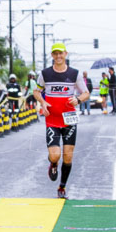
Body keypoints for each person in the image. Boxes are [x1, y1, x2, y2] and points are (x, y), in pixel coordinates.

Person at [33, 43, 89, 199]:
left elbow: (86, 93)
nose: (58, 56)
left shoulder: (74, 74)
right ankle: (53, 163)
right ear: (52, 55)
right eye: (55, 53)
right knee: (56, 155)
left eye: (61, 53)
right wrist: (43, 102)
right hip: (52, 119)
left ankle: (62, 187)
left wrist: (77, 100)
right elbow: (36, 91)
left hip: (69, 119)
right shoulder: (45, 74)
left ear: (66, 54)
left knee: (68, 156)